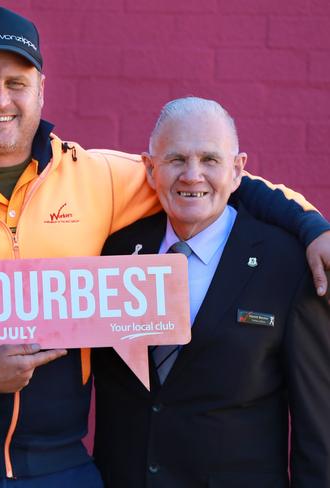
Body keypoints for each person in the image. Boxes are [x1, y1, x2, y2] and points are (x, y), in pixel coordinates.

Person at [0, 7, 330, 487]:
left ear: (40, 88)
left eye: (16, 82)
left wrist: (312, 227)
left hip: (57, 464)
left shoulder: (93, 177)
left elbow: (208, 180)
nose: (0, 99)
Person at [93, 97, 330, 487]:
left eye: (210, 160)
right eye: (176, 160)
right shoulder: (114, 251)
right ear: (151, 170)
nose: (192, 175)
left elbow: (317, 422)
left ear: (238, 171)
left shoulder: (287, 266)